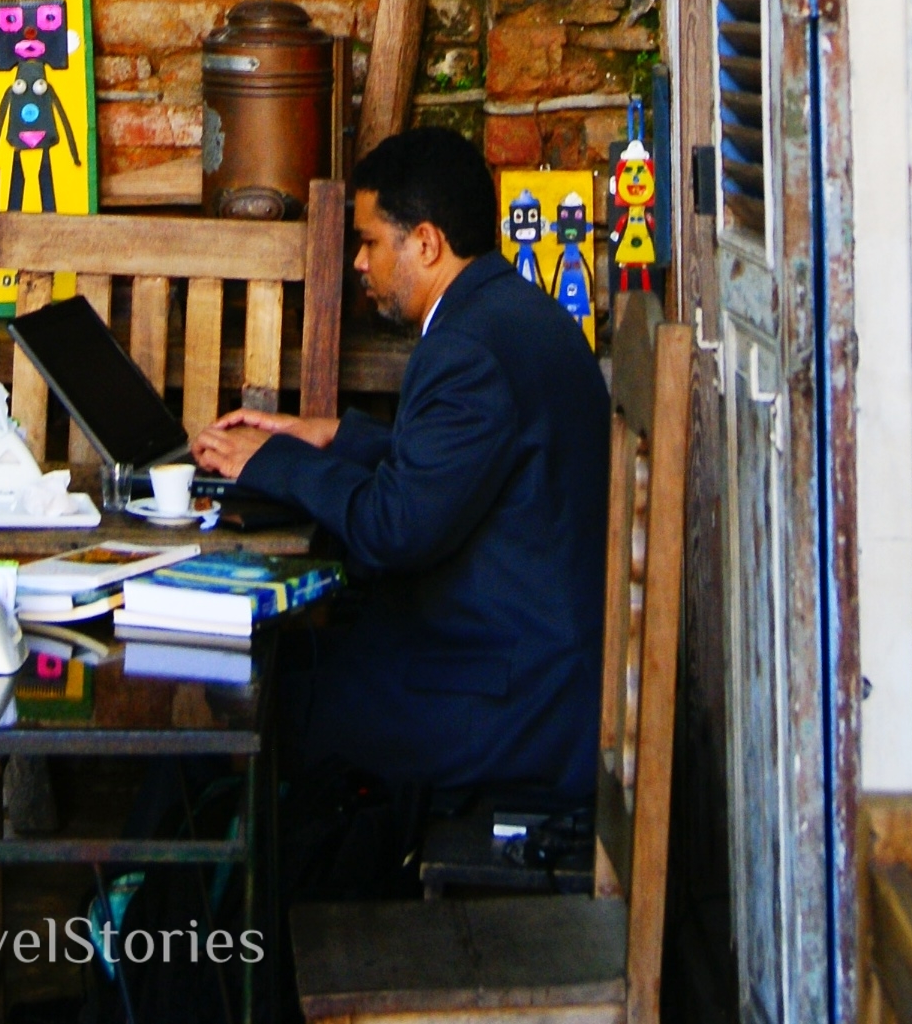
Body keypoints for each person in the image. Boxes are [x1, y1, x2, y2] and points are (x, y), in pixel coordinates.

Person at [191, 127, 610, 802]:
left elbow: (393, 529)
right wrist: (337, 436)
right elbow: (463, 470)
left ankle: (191, 864)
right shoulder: (509, 311)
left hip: (507, 700)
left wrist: (272, 460)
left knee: (244, 696)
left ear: (425, 243)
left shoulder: (465, 350)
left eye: (369, 241)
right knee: (291, 663)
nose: (360, 262)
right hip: (531, 662)